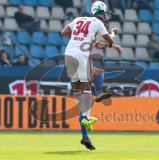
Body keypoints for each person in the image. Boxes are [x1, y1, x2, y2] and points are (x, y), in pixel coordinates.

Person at [61, 1, 123, 150]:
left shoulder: (79, 20)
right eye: (105, 14)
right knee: (88, 86)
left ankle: (85, 136)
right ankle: (93, 107)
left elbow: (64, 32)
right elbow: (109, 39)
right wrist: (114, 33)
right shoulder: (98, 23)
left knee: (80, 97)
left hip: (68, 54)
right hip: (82, 56)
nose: (106, 17)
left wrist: (77, 39)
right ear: (102, 13)